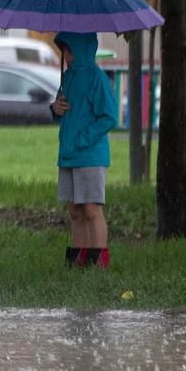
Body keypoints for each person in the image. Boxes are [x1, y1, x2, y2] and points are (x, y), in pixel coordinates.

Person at [48, 31, 117, 269]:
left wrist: (83, 140)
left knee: (91, 210)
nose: (66, 55)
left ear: (83, 49)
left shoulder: (97, 78)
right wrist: (54, 108)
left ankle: (98, 264)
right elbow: (64, 112)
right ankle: (78, 262)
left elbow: (108, 117)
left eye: (70, 50)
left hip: (89, 154)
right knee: (75, 210)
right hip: (68, 155)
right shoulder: (67, 78)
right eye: (64, 50)